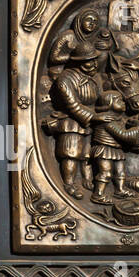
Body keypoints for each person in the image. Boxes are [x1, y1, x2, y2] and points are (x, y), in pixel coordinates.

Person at [43, 46, 101, 199]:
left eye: (95, 61)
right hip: (71, 120)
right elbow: (72, 105)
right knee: (71, 153)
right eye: (89, 62)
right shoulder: (65, 79)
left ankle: (86, 179)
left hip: (91, 120)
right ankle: (69, 183)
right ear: (78, 63)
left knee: (87, 153)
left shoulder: (95, 78)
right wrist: (94, 117)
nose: (94, 65)